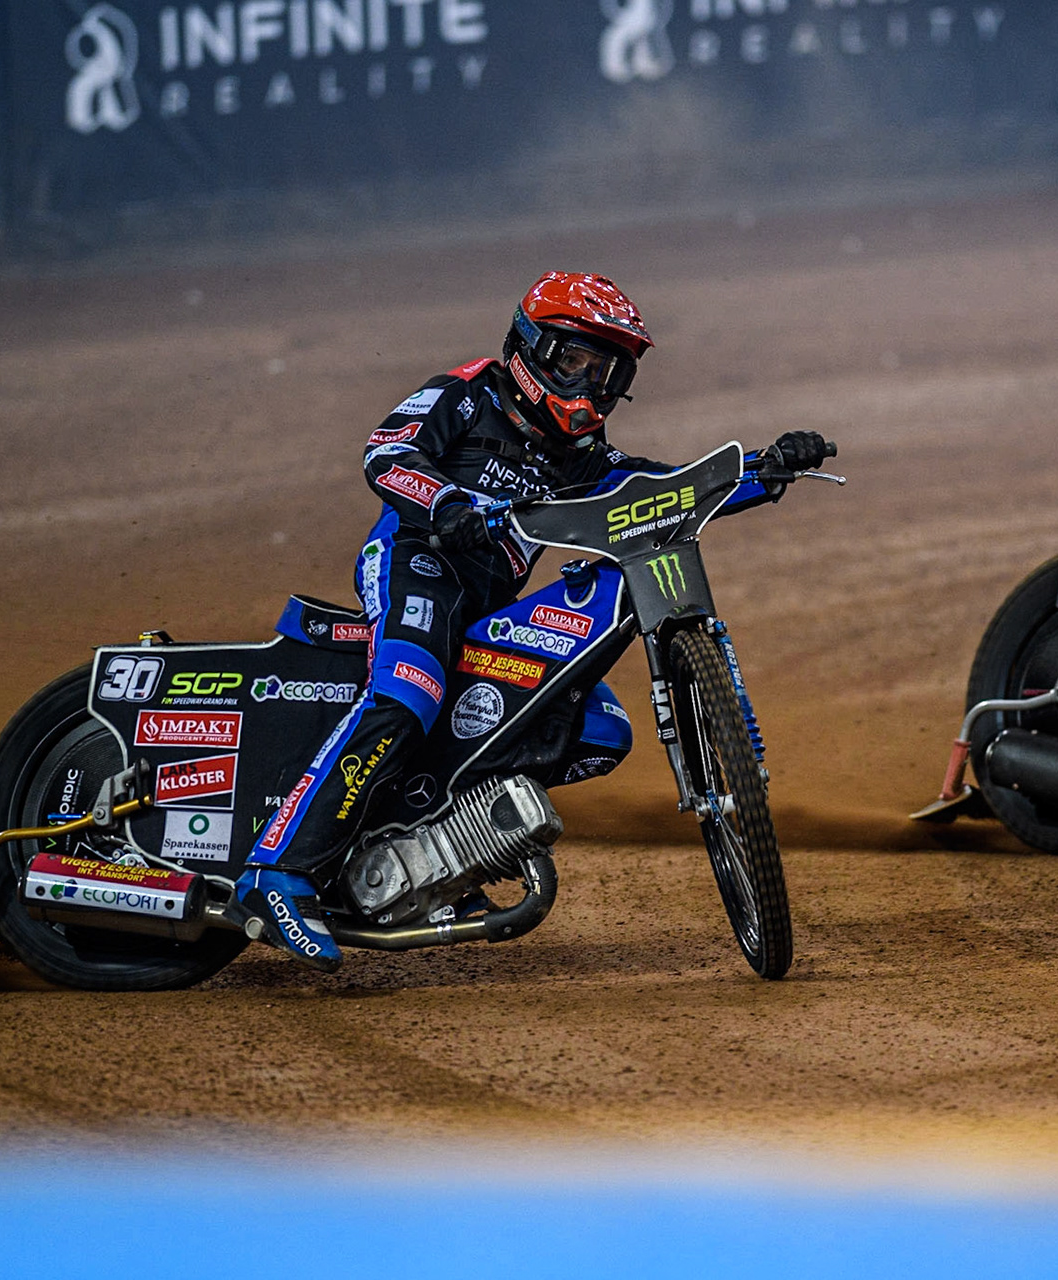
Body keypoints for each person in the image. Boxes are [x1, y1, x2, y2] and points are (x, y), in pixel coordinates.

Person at [236, 271, 832, 969]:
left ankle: (436, 850)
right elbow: (387, 452)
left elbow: (665, 493)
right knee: (409, 691)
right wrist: (445, 506)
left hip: (483, 606)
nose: (588, 385)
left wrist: (766, 471)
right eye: (574, 361)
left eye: (607, 372)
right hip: (415, 562)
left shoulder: (583, 459)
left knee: (595, 732)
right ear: (528, 348)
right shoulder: (466, 392)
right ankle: (275, 872)